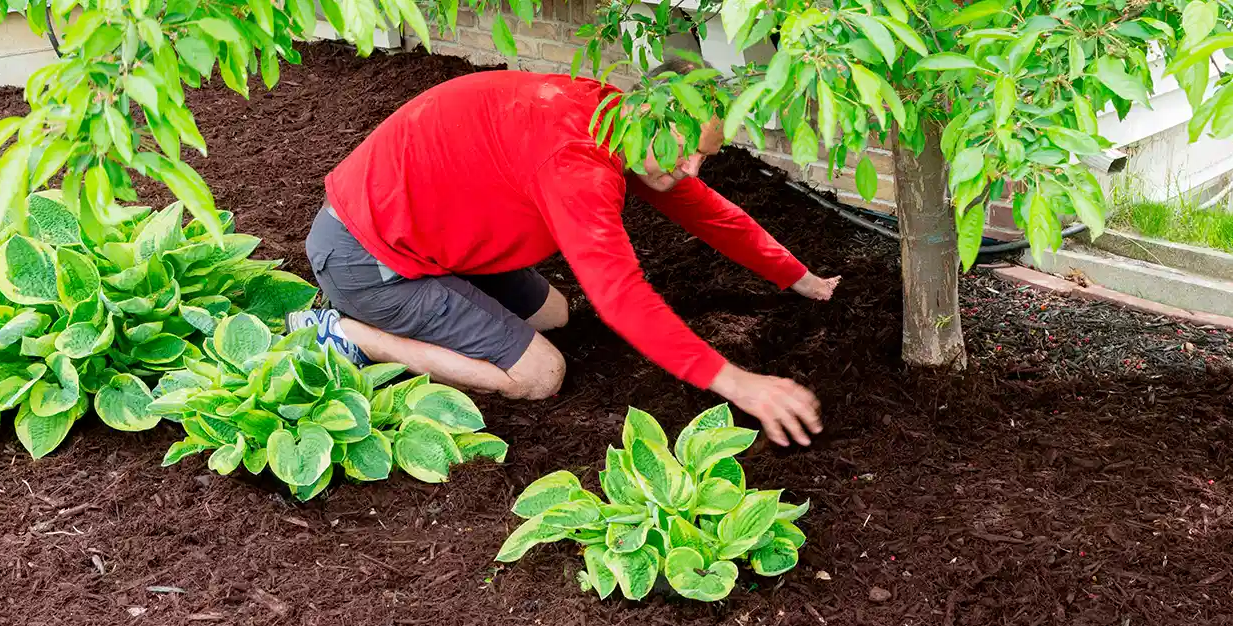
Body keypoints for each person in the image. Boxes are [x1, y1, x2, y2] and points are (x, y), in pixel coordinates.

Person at [289, 60, 839, 447]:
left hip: (423, 234)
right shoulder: (575, 164)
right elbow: (620, 294)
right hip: (368, 256)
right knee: (539, 374)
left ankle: (427, 305)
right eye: (689, 153)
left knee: (556, 313)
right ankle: (348, 334)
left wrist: (798, 278)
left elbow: (706, 210)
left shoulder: (620, 118)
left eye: (705, 156)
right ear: (654, 115)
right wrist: (736, 381)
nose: (692, 170)